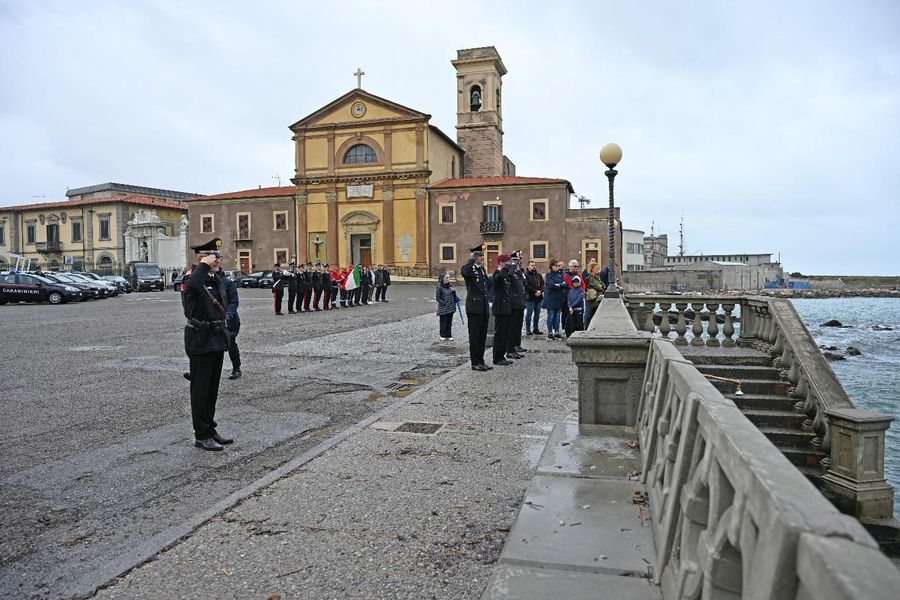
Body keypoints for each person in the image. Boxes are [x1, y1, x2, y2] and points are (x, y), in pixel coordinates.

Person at [182, 238, 232, 451]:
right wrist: (202, 265)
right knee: (200, 390)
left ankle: (210, 429)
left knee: (212, 389)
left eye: (218, 255)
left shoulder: (215, 278)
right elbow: (193, 286)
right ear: (201, 257)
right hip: (200, 338)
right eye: (213, 255)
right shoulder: (192, 278)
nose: (217, 259)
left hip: (216, 338)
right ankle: (201, 434)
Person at [460, 244, 492, 372]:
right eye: (479, 256)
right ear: (474, 257)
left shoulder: (481, 270)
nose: (481, 258)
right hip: (474, 307)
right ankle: (475, 362)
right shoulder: (469, 268)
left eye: (482, 256)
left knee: (482, 336)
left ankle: (481, 360)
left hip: (483, 307)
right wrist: (471, 260)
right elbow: (464, 271)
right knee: (474, 336)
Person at [491, 253, 515, 365]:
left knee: (505, 333)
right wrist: (500, 270)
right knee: (500, 334)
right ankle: (497, 357)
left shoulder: (505, 274)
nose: (509, 264)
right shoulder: (498, 273)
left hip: (507, 308)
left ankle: (502, 355)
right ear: (501, 263)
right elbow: (495, 281)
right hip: (500, 308)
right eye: (507, 262)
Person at [220, 269, 242, 380]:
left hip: (230, 319)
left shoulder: (228, 283)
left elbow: (234, 301)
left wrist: (228, 315)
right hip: (212, 319)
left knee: (231, 343)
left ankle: (236, 368)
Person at [506, 252, 527, 357]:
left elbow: (524, 283)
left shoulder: (519, 271)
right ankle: (512, 346)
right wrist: (514, 266)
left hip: (520, 301)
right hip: (514, 302)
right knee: (513, 326)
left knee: (519, 325)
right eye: (518, 260)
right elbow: (509, 276)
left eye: (520, 260)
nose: (520, 261)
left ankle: (517, 344)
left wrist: (520, 270)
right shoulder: (511, 270)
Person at [543, 260, 567, 340]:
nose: (558, 267)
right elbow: (551, 285)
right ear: (552, 266)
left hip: (558, 298)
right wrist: (560, 285)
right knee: (551, 316)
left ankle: (556, 331)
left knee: (557, 317)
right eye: (556, 265)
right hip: (551, 299)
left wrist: (558, 285)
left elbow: (565, 284)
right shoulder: (549, 275)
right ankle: (550, 332)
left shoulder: (560, 275)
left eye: (558, 265)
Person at [524, 260, 545, 335]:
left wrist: (540, 291)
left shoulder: (538, 275)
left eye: (534, 265)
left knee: (537, 314)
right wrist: (535, 291)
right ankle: (528, 329)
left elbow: (543, 284)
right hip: (530, 298)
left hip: (539, 298)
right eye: (532, 265)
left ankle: (536, 329)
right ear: (528, 266)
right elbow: (526, 286)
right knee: (529, 314)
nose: (534, 266)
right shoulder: (526, 275)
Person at [435, 272, 457, 341]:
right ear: (443, 279)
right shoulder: (439, 287)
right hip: (443, 308)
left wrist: (454, 292)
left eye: (448, 278)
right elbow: (438, 298)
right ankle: (443, 335)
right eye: (446, 278)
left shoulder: (450, 286)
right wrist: (444, 303)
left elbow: (454, 296)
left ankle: (449, 335)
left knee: (449, 322)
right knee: (443, 322)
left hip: (450, 308)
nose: (448, 279)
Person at [585, 261, 606, 329]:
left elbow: (603, 286)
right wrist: (601, 287)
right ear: (592, 269)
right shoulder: (591, 277)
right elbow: (598, 287)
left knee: (594, 314)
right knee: (590, 314)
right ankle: (588, 328)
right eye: (596, 269)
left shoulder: (597, 277)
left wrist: (601, 286)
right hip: (593, 299)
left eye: (598, 268)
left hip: (597, 299)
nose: (598, 270)